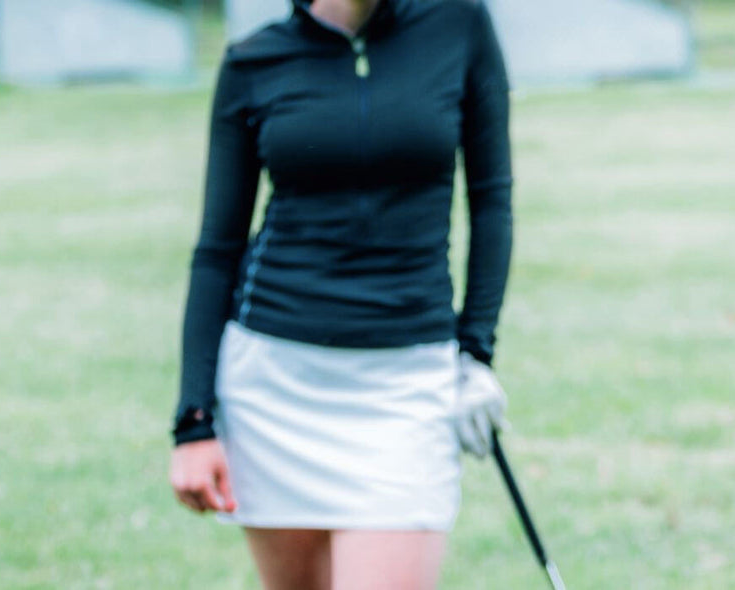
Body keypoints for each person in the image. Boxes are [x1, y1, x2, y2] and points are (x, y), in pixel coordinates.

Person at [164, 0, 515, 587]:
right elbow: (217, 251)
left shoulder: (459, 25)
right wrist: (194, 422)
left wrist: (475, 353)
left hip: (405, 387)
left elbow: (493, 202)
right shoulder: (254, 60)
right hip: (273, 386)